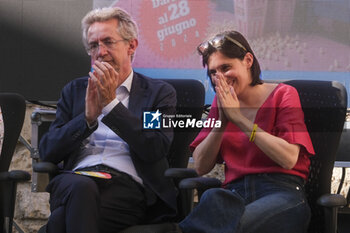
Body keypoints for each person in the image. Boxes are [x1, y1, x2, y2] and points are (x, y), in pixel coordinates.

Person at [39, 7, 178, 233]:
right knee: (81, 188)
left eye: (108, 42)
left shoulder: (157, 94)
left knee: (59, 222)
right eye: (93, 45)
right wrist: (87, 119)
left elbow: (154, 145)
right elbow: (48, 151)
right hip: (74, 181)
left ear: (131, 46)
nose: (100, 52)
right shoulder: (75, 91)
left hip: (126, 187)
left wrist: (112, 106)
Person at [179, 30, 315, 233]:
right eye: (213, 73)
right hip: (234, 193)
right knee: (211, 199)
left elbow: (288, 158)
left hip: (280, 192)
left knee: (232, 227)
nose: (220, 78)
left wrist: (240, 120)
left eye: (226, 68)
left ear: (248, 60)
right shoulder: (221, 102)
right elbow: (201, 165)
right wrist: (223, 123)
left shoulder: (284, 94)